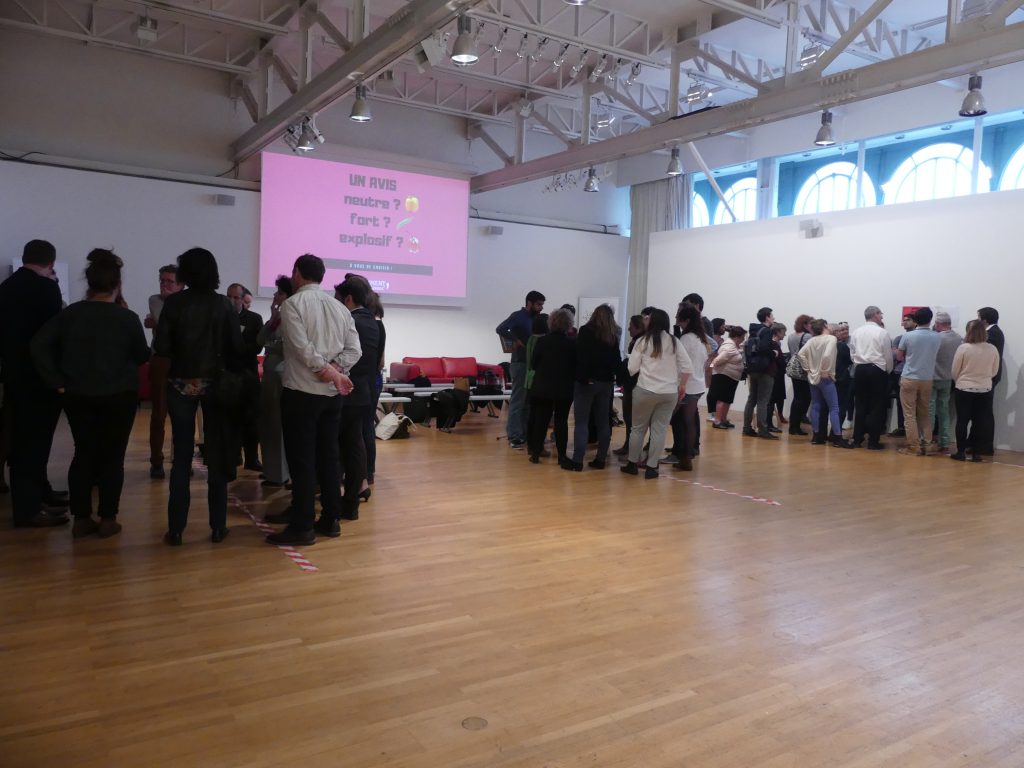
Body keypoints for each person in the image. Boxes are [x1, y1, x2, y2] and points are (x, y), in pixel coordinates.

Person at [31, 250, 150, 538]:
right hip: (119, 395)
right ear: (117, 284)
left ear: (89, 282)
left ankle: (81, 518)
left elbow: (38, 345)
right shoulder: (127, 318)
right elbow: (141, 355)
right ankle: (108, 517)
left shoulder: (70, 314)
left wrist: (55, 381)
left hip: (77, 393)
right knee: (113, 457)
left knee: (83, 453)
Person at [266, 254, 361, 545]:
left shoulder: (293, 304)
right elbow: (354, 351)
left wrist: (327, 371)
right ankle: (331, 519)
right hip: (331, 396)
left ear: (297, 273)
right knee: (329, 457)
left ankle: (303, 525)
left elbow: (302, 349)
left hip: (302, 394)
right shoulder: (340, 307)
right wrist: (335, 371)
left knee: (302, 460)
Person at [154, 248, 244, 545]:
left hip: (180, 383)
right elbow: (235, 348)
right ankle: (218, 526)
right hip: (216, 384)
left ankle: (176, 529)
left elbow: (162, 346)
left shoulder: (174, 303)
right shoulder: (224, 305)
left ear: (185, 273)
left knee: (181, 457)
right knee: (216, 454)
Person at [0, 239, 68, 528]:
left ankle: (41, 494)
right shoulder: (47, 289)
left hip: (13, 375)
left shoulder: (6, 288)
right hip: (40, 378)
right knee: (34, 444)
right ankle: (28, 509)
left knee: (22, 440)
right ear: (51, 263)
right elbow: (52, 335)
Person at [622, 309, 693, 480]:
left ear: (653, 322)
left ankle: (632, 464)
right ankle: (652, 467)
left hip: (645, 389)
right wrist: (682, 385)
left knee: (638, 429)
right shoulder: (674, 341)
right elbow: (687, 366)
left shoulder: (642, 341)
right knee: (659, 430)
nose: (645, 321)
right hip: (669, 392)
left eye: (648, 319)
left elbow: (632, 368)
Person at [333, 277, 380, 519]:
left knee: (341, 447)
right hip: (364, 391)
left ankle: (342, 495)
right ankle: (354, 497)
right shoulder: (373, 322)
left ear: (348, 299)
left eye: (337, 299)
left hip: (346, 390)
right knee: (356, 445)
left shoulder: (350, 321)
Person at [565, 304, 620, 471]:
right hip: (606, 383)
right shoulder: (612, 336)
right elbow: (616, 361)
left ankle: (577, 460)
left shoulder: (586, 331)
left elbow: (581, 356)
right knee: (603, 422)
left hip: (587, 382)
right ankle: (601, 459)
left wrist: (582, 377)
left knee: (581, 422)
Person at [146, 264, 183, 479]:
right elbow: (163, 321)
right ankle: (156, 461)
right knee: (158, 415)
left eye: (170, 281)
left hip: (182, 362)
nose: (164, 285)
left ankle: (181, 459)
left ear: (181, 285)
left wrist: (154, 323)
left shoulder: (186, 302)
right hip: (161, 360)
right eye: (162, 281)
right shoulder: (155, 299)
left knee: (182, 415)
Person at [256, 276, 293, 488]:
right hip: (271, 373)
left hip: (281, 373)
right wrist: (271, 318)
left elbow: (286, 345)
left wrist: (271, 343)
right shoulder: (277, 317)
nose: (275, 296)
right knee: (268, 423)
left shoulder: (292, 316)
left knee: (277, 423)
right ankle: (272, 470)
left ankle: (280, 473)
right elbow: (260, 340)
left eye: (279, 292)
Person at [496, 290, 545, 449]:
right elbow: (500, 328)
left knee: (528, 402)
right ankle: (514, 436)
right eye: (538, 304)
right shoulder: (518, 316)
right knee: (518, 401)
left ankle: (524, 434)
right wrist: (515, 340)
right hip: (520, 363)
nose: (541, 307)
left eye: (542, 305)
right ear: (529, 303)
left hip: (532, 365)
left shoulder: (536, 319)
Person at [526, 308, 576, 464]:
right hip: (564, 388)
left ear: (551, 323)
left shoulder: (542, 341)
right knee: (561, 421)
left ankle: (535, 454)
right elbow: (575, 366)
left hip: (543, 386)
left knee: (541, 420)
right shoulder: (572, 343)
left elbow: (533, 364)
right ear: (569, 324)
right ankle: (562, 456)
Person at [798, 319, 854, 448]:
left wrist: (809, 369)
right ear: (824, 326)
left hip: (813, 377)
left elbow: (801, 354)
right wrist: (824, 370)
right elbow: (827, 355)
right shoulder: (831, 339)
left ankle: (816, 436)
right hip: (825, 378)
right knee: (834, 408)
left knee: (816, 406)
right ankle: (838, 438)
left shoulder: (812, 340)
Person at [227, 282, 264, 471]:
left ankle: (252, 458)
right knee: (230, 418)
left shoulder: (254, 319)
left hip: (248, 374)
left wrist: (238, 348)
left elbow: (257, 346)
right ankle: (234, 456)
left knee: (252, 418)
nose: (232, 300)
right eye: (229, 296)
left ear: (243, 299)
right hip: (228, 374)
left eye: (235, 297)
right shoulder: (221, 317)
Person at [951, 320, 1000, 463]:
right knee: (979, 422)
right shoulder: (992, 349)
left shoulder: (964, 348)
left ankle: (960, 452)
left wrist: (961, 380)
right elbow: (994, 371)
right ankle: (976, 453)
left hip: (964, 388)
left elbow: (955, 370)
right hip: (985, 389)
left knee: (962, 420)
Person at [896, 307, 941, 456]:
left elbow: (899, 356)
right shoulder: (937, 337)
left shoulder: (908, 336)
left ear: (915, 320)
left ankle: (913, 446)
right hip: (927, 378)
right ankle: (928, 444)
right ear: (931, 319)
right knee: (924, 413)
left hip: (910, 376)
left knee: (909, 414)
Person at [670, 303, 709, 471]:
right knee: (689, 422)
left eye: (679, 318)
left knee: (680, 421)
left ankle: (683, 457)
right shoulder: (701, 339)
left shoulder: (686, 339)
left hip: (686, 385)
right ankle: (686, 457)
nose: (677, 321)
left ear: (685, 320)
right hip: (698, 384)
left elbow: (680, 363)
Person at [849, 306, 892, 450]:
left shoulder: (856, 332)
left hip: (860, 369)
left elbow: (852, 353)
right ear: (875, 315)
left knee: (860, 404)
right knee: (877, 405)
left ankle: (857, 438)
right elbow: (887, 354)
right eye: (880, 314)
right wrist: (887, 370)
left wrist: (858, 364)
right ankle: (873, 441)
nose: (882, 317)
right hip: (877, 369)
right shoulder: (882, 332)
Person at [928, 312, 962, 456]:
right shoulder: (959, 338)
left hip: (933, 377)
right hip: (948, 378)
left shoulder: (935, 338)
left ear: (938, 324)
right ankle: (945, 443)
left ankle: (927, 441)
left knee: (929, 411)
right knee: (944, 411)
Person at [743, 307, 778, 440]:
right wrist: (773, 353)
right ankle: (763, 430)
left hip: (753, 368)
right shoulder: (767, 331)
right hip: (764, 369)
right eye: (772, 316)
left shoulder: (754, 330)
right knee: (763, 400)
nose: (773, 318)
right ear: (767, 317)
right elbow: (763, 348)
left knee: (752, 398)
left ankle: (747, 427)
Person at [613, 315, 645, 456]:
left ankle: (630, 447)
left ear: (638, 327)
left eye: (631, 326)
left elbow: (633, 365)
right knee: (631, 418)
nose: (628, 329)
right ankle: (630, 446)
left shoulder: (638, 342)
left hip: (633, 384)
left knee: (630, 417)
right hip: (635, 383)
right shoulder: (640, 340)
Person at [975, 307, 1004, 456]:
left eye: (978, 317)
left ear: (984, 320)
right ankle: (978, 444)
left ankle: (985, 446)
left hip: (988, 377)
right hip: (988, 377)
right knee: (982, 412)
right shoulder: (995, 332)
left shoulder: (992, 334)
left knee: (984, 412)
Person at [709, 326, 745, 429]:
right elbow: (716, 360)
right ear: (737, 337)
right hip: (723, 376)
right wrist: (711, 370)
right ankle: (717, 421)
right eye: (742, 337)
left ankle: (723, 420)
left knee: (727, 400)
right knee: (721, 399)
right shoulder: (729, 347)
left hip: (730, 377)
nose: (743, 339)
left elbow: (743, 345)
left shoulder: (734, 345)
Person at [888, 313, 917, 437]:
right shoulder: (899, 338)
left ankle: (913, 430)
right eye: (904, 320)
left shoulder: (919, 338)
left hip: (914, 374)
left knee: (916, 403)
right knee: (901, 402)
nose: (905, 322)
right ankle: (901, 427)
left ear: (915, 322)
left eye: (908, 320)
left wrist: (902, 352)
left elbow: (901, 354)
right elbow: (895, 356)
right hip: (899, 372)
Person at [786, 314, 813, 435]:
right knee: (803, 398)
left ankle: (793, 425)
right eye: (810, 323)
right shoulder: (807, 336)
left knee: (797, 398)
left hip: (794, 369)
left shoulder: (791, 336)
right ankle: (795, 426)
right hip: (803, 370)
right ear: (805, 324)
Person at [833, 322, 853, 433]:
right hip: (841, 377)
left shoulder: (851, 341)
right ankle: (836, 433)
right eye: (841, 330)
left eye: (847, 329)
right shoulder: (841, 345)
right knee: (840, 405)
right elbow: (850, 360)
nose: (845, 331)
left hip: (832, 377)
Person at [705, 318, 726, 423]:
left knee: (716, 391)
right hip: (712, 365)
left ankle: (715, 413)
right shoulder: (712, 339)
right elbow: (712, 353)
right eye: (722, 326)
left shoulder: (720, 339)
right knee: (712, 391)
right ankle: (711, 413)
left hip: (717, 366)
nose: (724, 328)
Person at [768, 322, 787, 433]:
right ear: (778, 332)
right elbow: (778, 360)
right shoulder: (774, 344)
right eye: (783, 332)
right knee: (772, 400)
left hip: (777, 375)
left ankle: (769, 424)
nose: (785, 334)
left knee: (773, 399)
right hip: (776, 375)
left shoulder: (774, 344)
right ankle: (769, 424)